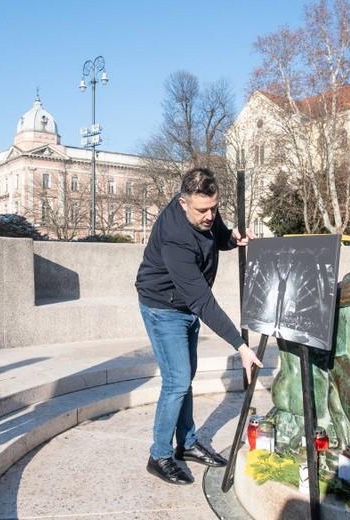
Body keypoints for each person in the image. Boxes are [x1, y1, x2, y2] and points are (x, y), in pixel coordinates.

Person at [135, 167, 263, 485]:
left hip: (184, 305)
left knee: (186, 376)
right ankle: (160, 454)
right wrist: (241, 345)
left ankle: (187, 443)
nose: (210, 216)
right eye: (202, 210)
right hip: (163, 309)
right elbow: (203, 302)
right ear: (182, 203)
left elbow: (216, 236)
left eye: (214, 208)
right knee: (177, 380)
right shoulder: (175, 238)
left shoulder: (205, 212)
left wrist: (232, 238)